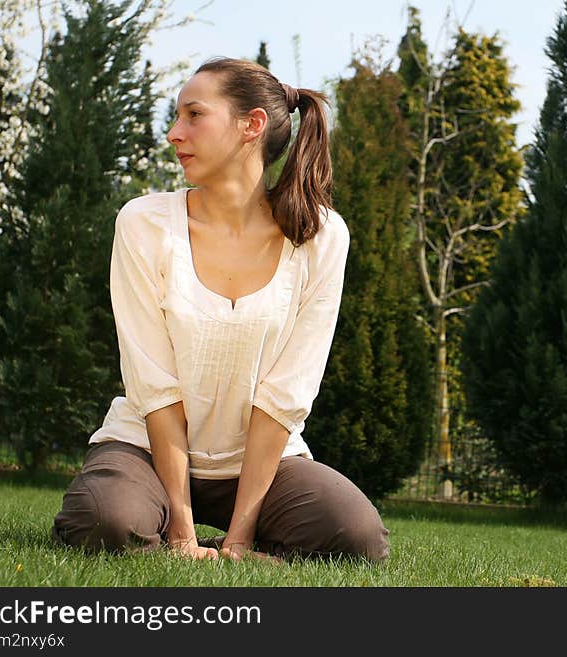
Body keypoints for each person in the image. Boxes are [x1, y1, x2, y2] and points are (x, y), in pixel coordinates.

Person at [50, 57, 389, 563]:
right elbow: (154, 386)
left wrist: (241, 536)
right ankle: (171, 532)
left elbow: (287, 393)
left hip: (263, 465)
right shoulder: (144, 224)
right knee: (106, 521)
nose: (173, 133)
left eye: (193, 115)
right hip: (145, 446)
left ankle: (220, 543)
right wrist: (184, 535)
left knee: (358, 538)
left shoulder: (321, 236)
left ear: (251, 125)